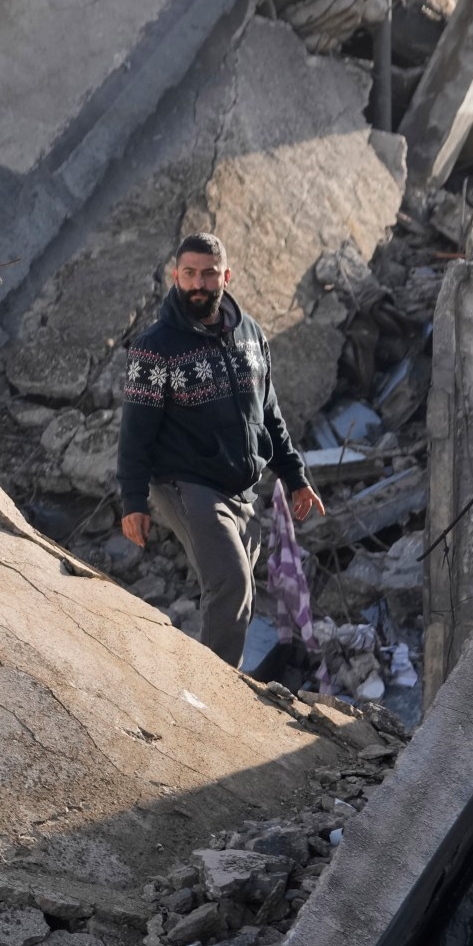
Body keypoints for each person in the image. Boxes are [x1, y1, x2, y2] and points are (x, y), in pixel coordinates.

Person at [117, 234, 324, 665]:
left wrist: (296, 476)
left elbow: (269, 414)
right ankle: (212, 695)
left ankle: (207, 677)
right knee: (232, 583)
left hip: (242, 489)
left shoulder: (251, 336)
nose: (199, 283)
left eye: (209, 274)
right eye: (189, 274)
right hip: (185, 483)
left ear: (225, 277)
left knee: (239, 595)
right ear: (176, 278)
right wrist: (133, 500)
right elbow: (135, 432)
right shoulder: (155, 348)